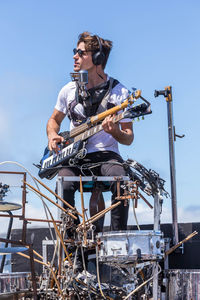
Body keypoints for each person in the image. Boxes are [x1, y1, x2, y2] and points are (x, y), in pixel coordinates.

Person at [46, 32, 134, 231]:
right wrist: (52, 135)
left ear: (97, 59)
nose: (74, 56)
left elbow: (128, 137)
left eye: (80, 53)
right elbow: (53, 120)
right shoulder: (68, 90)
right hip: (75, 155)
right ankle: (73, 241)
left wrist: (115, 132)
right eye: (74, 52)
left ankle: (116, 241)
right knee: (64, 182)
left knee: (122, 181)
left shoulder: (120, 92)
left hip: (106, 155)